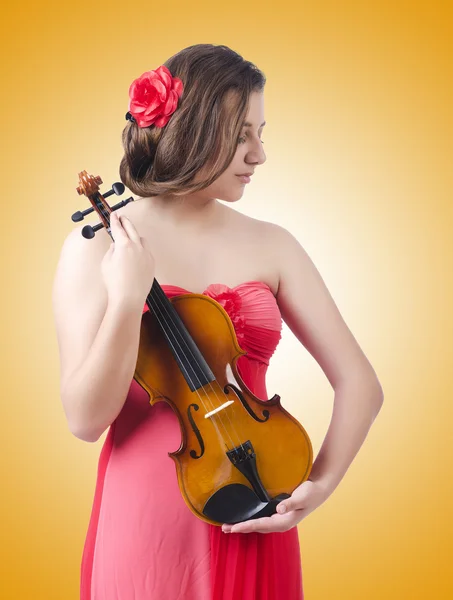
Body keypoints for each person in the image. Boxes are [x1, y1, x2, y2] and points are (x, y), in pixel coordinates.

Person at [52, 43, 384, 600]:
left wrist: (320, 484)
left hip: (257, 497)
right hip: (146, 515)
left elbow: (361, 385)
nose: (259, 154)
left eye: (260, 132)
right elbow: (85, 420)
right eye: (240, 136)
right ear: (188, 132)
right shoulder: (96, 248)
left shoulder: (274, 245)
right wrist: (126, 296)